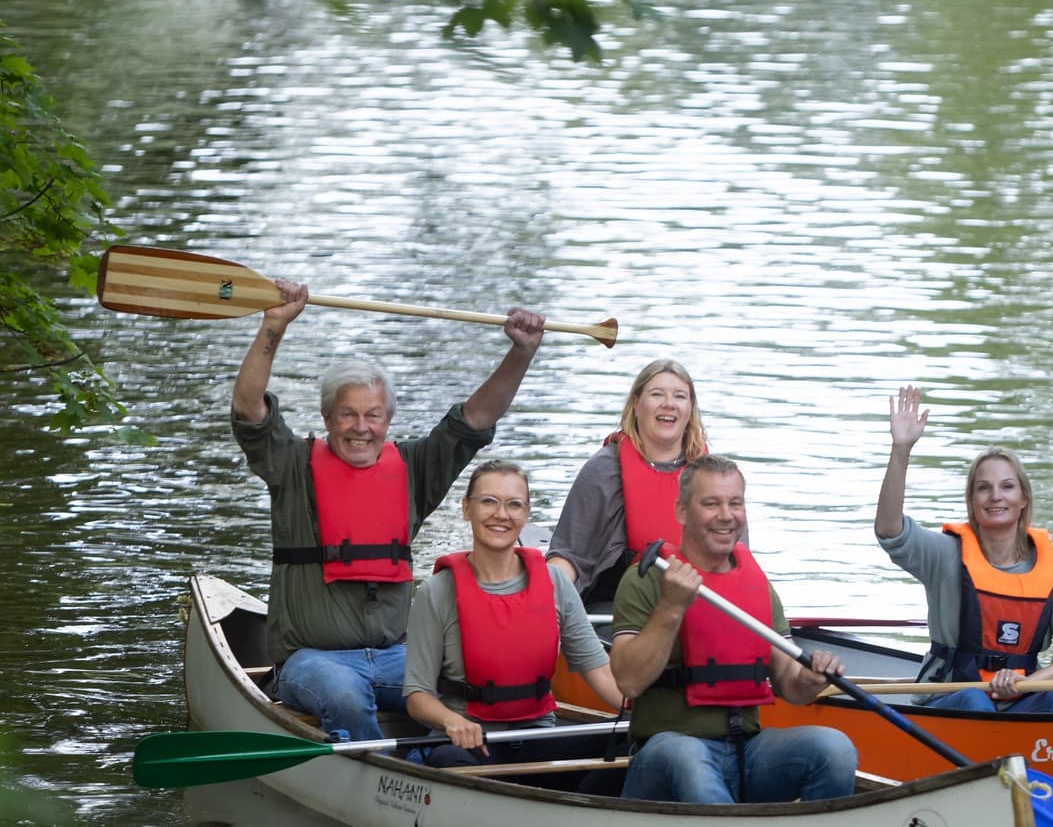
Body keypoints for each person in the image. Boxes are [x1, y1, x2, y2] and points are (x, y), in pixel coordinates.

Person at [230, 278, 546, 741]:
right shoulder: (291, 465)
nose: (361, 428)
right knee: (344, 697)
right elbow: (248, 408)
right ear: (327, 419)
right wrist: (273, 325)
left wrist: (522, 353)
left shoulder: (415, 469)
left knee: (465, 689)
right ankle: (389, 782)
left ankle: (437, 769)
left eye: (373, 415)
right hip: (312, 660)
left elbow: (476, 419)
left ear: (388, 420)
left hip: (398, 655)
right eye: (348, 414)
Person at [607, 455, 856, 804]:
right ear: (682, 512)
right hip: (666, 751)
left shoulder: (754, 582)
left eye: (735, 503)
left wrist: (811, 679)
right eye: (711, 503)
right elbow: (629, 681)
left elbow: (790, 684)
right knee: (689, 761)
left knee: (834, 748)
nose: (726, 515)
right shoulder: (648, 577)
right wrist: (672, 607)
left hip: (746, 751)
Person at [875, 385, 1053, 714]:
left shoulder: (1052, 573)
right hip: (954, 696)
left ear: (1023, 501)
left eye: (1007, 487)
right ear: (972, 503)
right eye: (983, 488)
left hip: (1020, 699)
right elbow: (890, 530)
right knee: (976, 701)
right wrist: (900, 450)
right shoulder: (945, 555)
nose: (995, 496)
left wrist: (1027, 685)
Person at [402, 460, 625, 768]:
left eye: (514, 504)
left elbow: (600, 672)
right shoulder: (436, 592)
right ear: (467, 509)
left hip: (537, 738)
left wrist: (643, 716)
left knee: (626, 742)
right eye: (489, 502)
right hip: (470, 743)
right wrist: (451, 720)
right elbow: (417, 696)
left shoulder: (555, 582)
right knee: (447, 759)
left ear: (526, 513)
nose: (501, 514)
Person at [547, 358, 712, 605]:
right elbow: (570, 557)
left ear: (690, 408)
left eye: (679, 396)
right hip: (619, 609)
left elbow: (737, 559)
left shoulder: (712, 475)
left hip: (699, 604)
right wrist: (543, 598)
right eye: (657, 394)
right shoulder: (604, 470)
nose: (669, 404)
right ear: (636, 404)